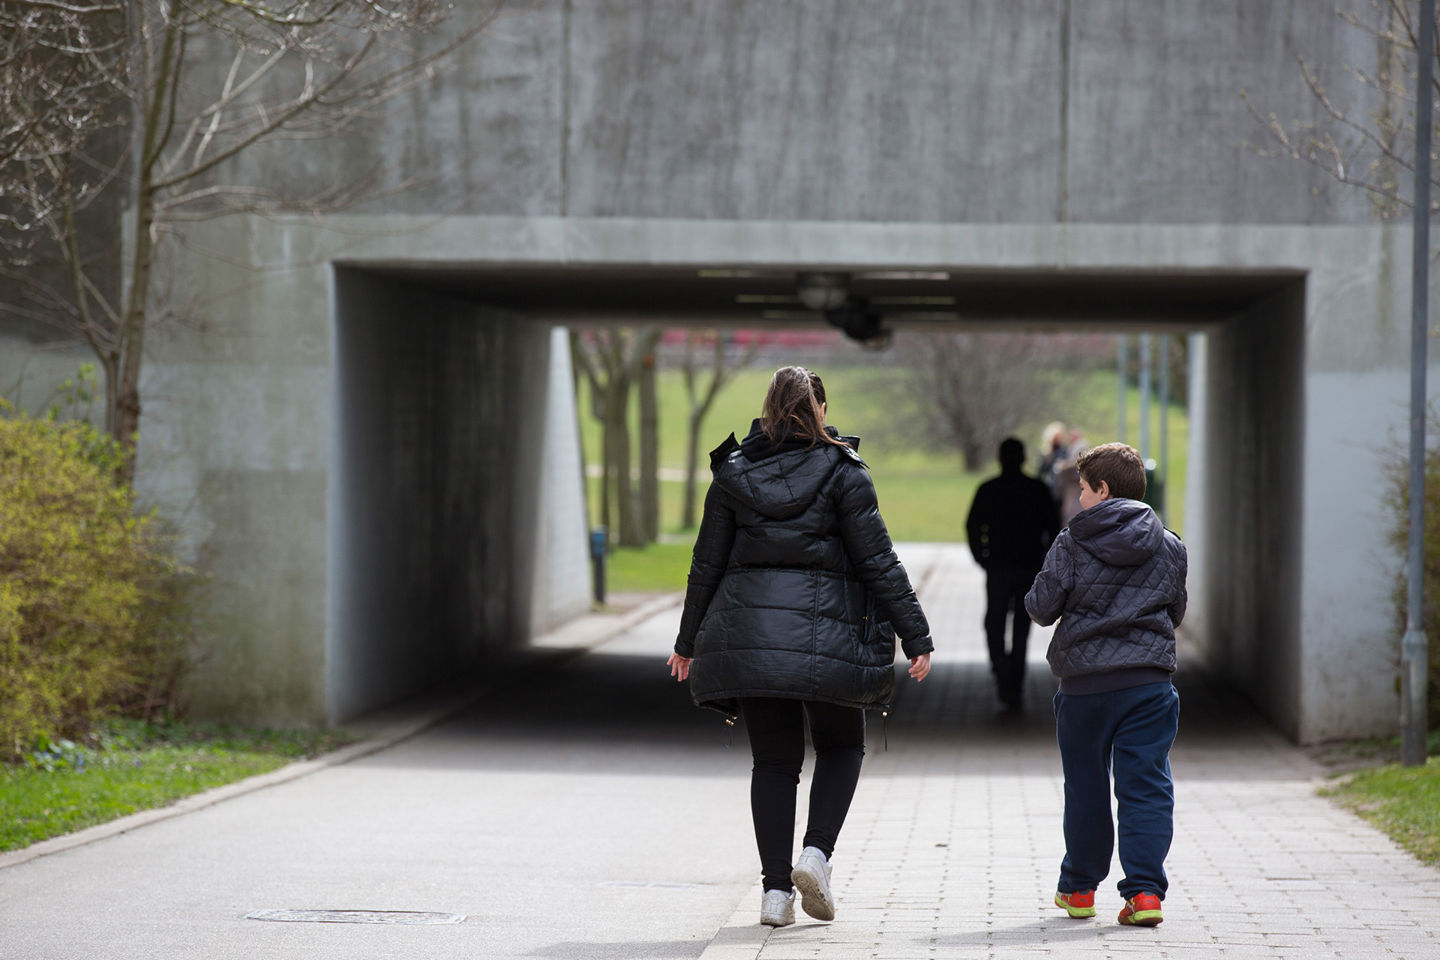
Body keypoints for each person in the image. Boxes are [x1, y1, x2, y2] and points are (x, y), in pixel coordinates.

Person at [667, 365, 933, 929]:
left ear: (768, 408)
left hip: (754, 646)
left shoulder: (733, 474)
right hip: (832, 642)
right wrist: (916, 636)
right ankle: (815, 855)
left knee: (774, 762)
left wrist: (686, 641)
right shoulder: (845, 473)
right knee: (842, 746)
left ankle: (774, 895)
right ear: (821, 410)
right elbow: (878, 562)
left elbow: (705, 564)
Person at [1024, 442, 1187, 928]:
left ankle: (1079, 888)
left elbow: (1040, 608)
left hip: (1084, 689)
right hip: (1149, 686)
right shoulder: (1170, 544)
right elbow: (1176, 611)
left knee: (1087, 787)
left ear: (1103, 489)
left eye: (1082, 489)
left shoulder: (1072, 541)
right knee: (1147, 786)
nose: (1078, 498)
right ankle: (1145, 894)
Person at [965, 437, 1060, 709]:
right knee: (1021, 625)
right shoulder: (1037, 489)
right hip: (1028, 566)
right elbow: (1053, 527)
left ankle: (1001, 670)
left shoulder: (988, 489)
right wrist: (1044, 559)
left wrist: (981, 557)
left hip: (998, 566)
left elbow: (973, 526)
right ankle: (1015, 680)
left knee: (994, 621)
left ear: (1000, 458)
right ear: (1023, 458)